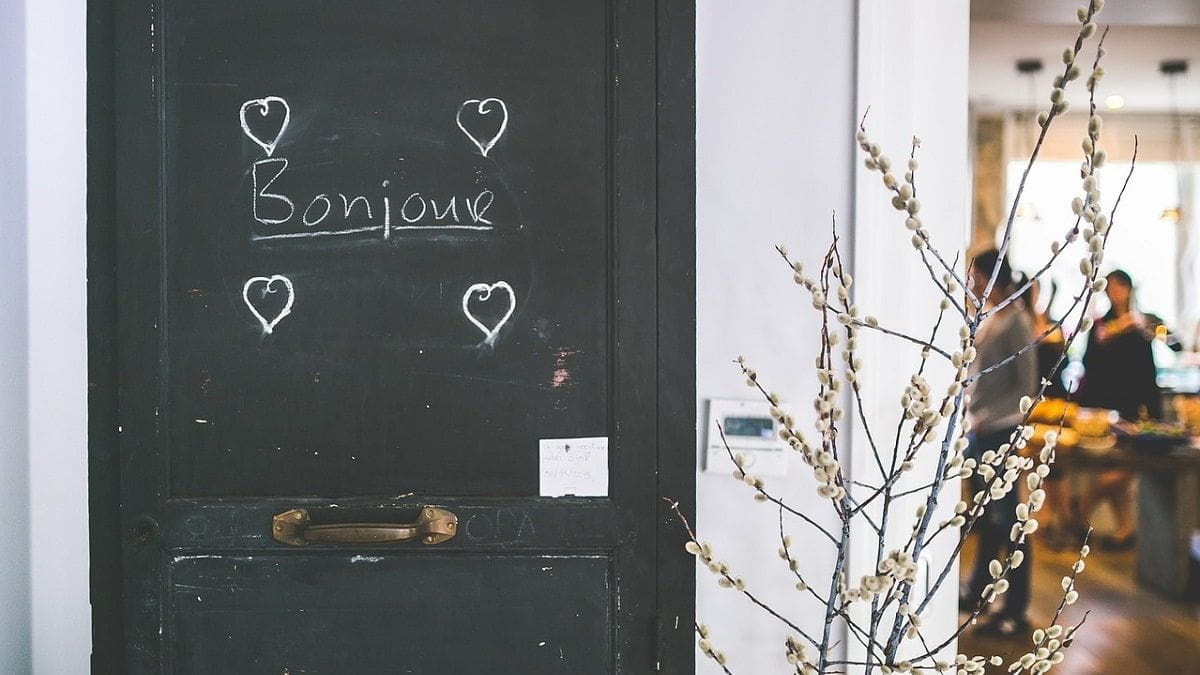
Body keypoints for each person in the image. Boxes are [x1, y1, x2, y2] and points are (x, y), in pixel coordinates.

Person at [960, 249, 1040, 637]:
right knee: (987, 518)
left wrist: (985, 417)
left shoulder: (1018, 321)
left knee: (1011, 522)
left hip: (1001, 431)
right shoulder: (992, 316)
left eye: (975, 274)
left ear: (991, 276)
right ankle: (979, 588)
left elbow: (1026, 387)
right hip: (981, 430)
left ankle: (1016, 608)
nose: (971, 281)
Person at [1076, 269, 1161, 550]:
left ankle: (1085, 506)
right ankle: (1124, 528)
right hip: (1105, 406)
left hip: (1130, 405)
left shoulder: (1140, 324)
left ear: (1128, 288)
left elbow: (1149, 369)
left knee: (1126, 467)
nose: (1114, 291)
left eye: (1119, 285)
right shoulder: (1101, 326)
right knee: (1117, 465)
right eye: (1109, 287)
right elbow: (1089, 363)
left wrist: (1154, 410)